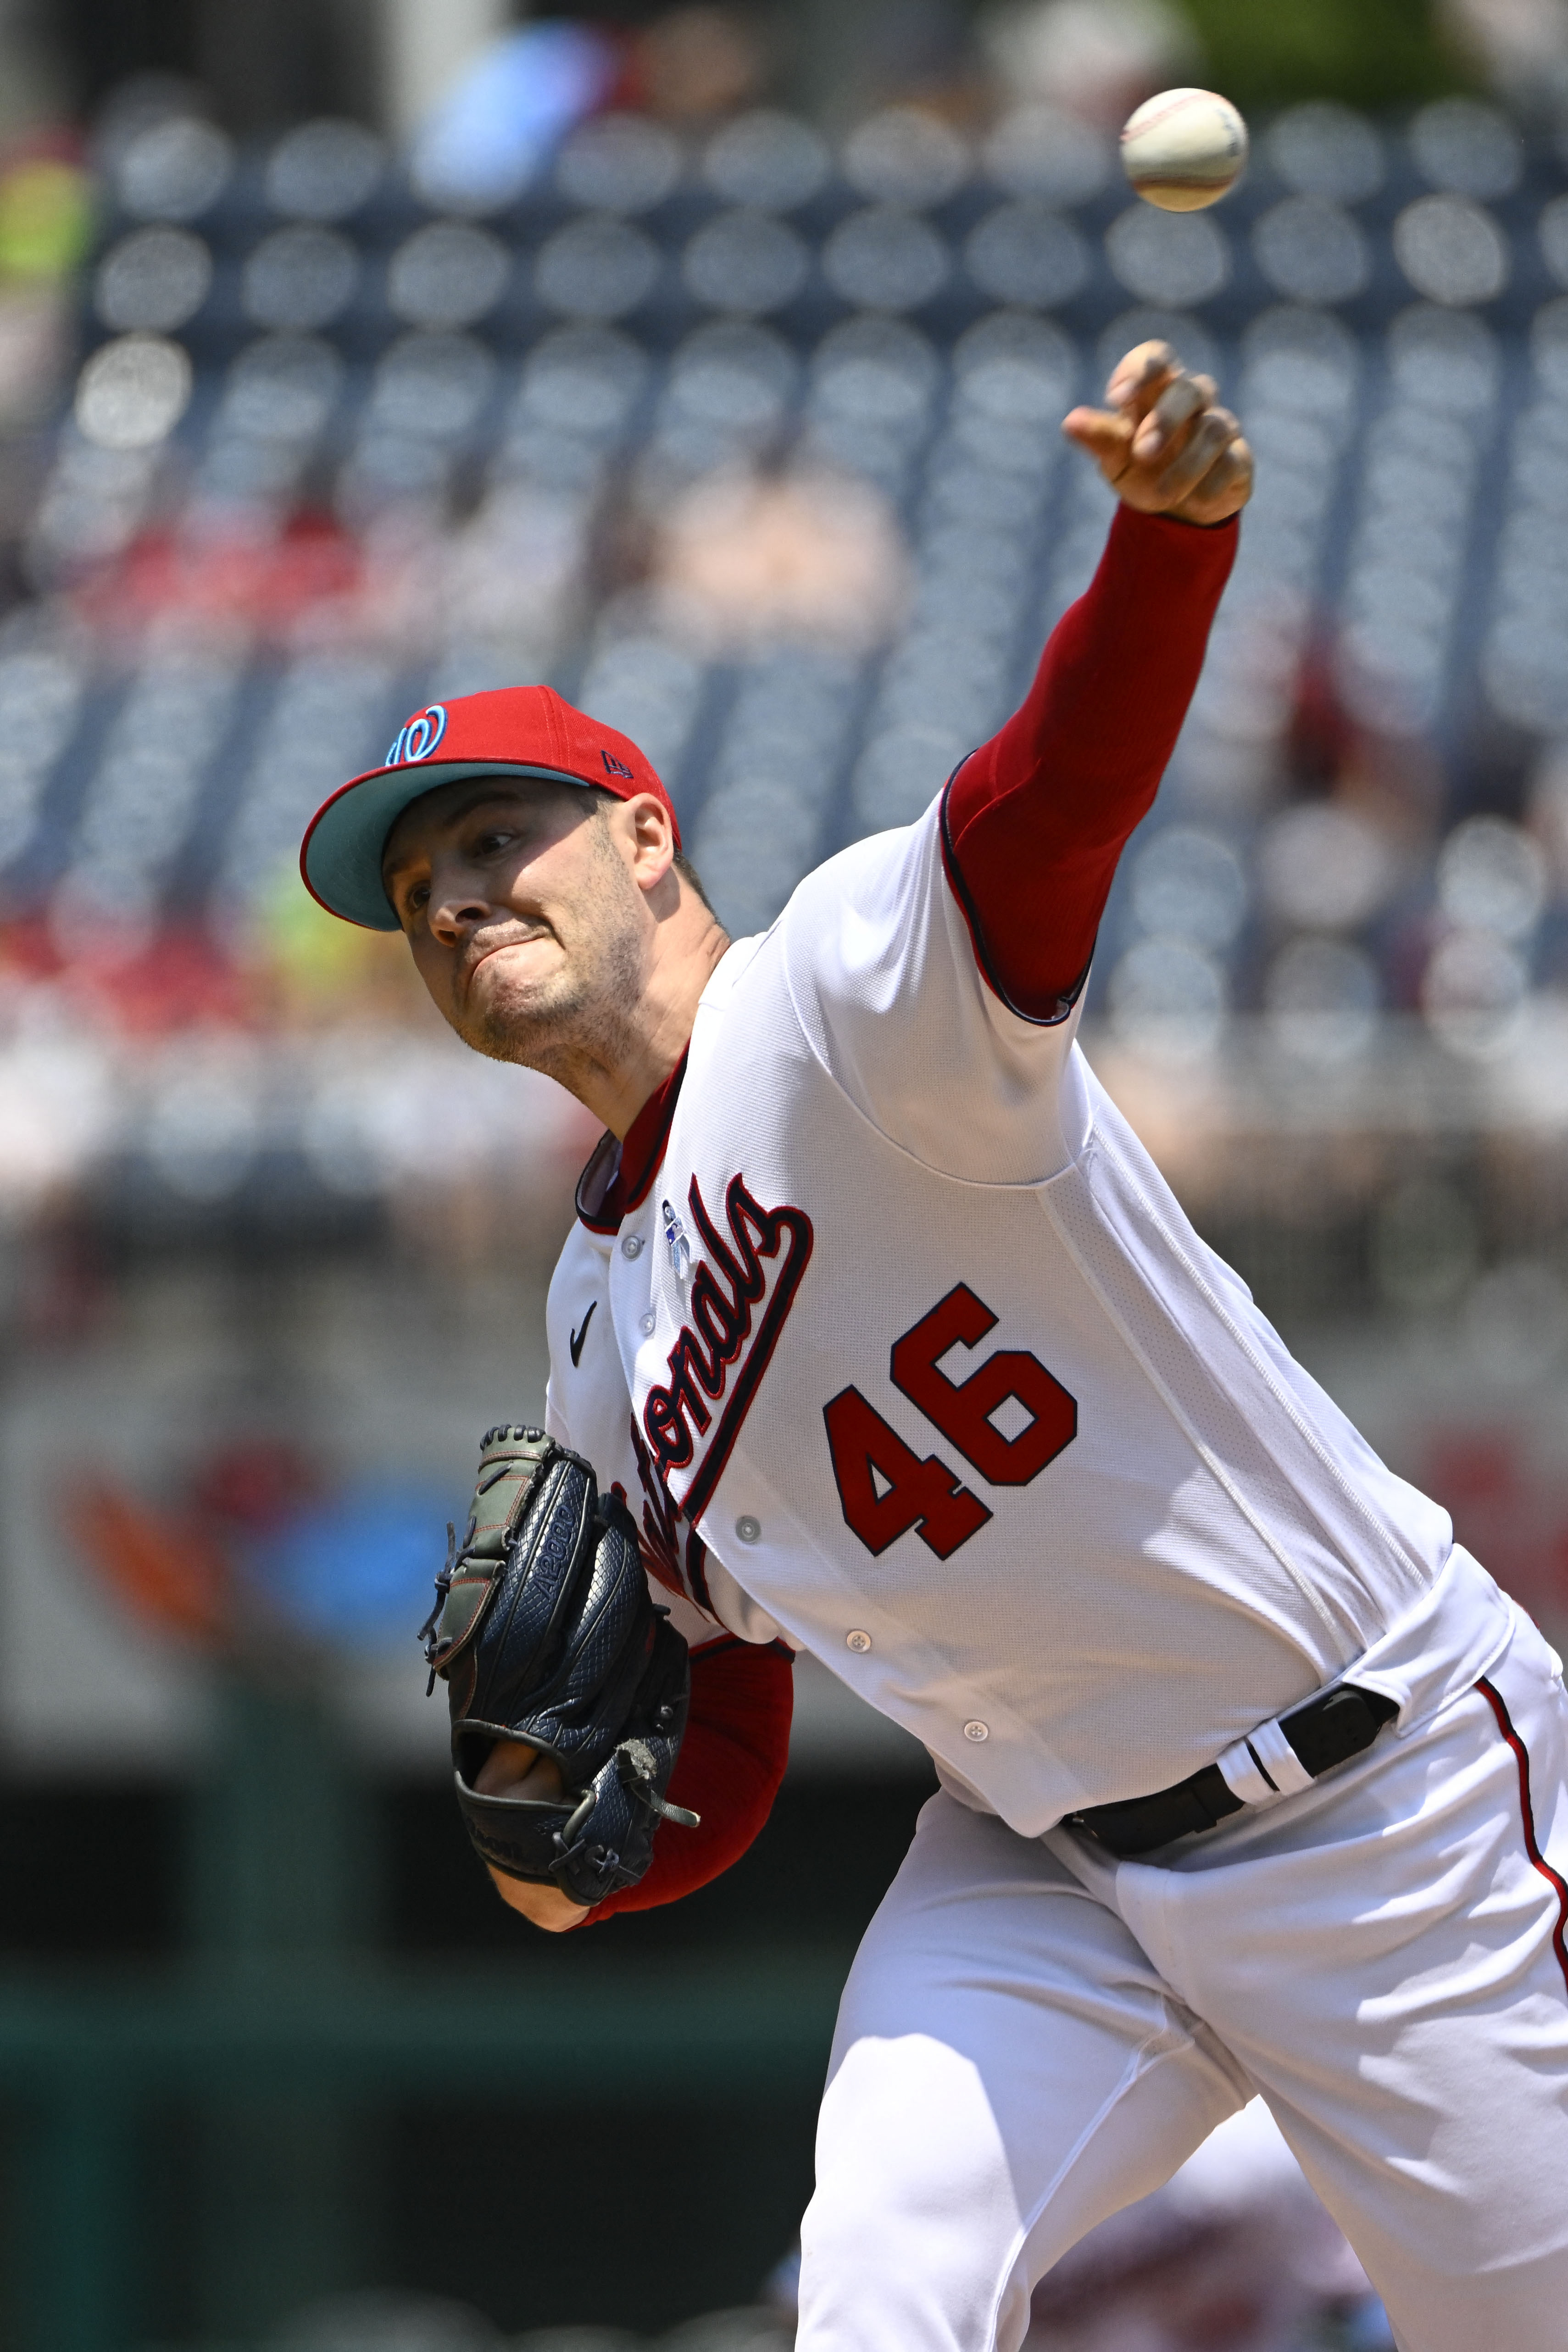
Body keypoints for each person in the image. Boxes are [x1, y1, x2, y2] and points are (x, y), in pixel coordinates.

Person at [299, 344, 1568, 2352]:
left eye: (497, 840)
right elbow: (721, 1710)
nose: (455, 902)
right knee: (874, 2293)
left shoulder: (834, 1007)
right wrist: (577, 1859)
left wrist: (1167, 546)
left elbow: (1049, 804)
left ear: (643, 834)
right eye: (420, 890)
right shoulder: (590, 1326)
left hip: (1380, 1791)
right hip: (1043, 1868)